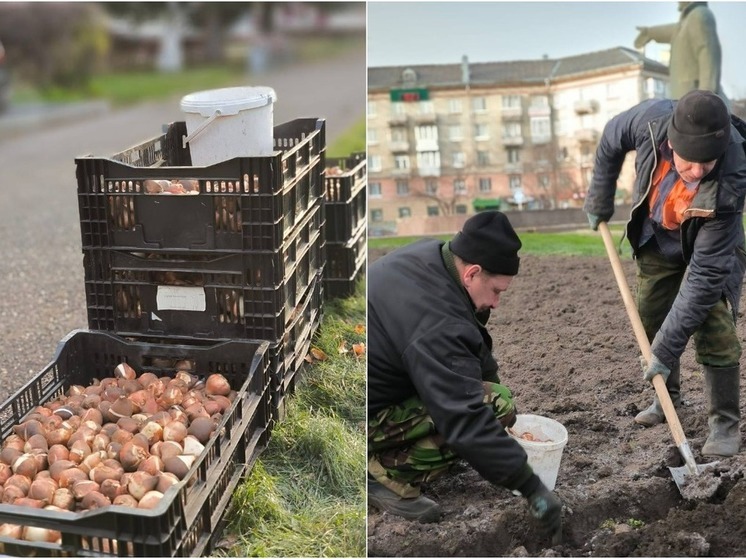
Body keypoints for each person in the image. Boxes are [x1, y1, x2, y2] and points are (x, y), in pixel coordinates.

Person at [367, 211, 563, 538]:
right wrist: (532, 488)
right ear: (472, 273)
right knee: (489, 409)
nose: (497, 303)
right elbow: (464, 416)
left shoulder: (432, 258)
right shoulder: (437, 323)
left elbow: (468, 341)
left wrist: (494, 390)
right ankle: (379, 474)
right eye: (497, 291)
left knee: (494, 400)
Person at [584, 89, 746, 458]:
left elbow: (704, 277)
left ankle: (724, 424)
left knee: (714, 324)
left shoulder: (732, 173)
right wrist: (599, 198)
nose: (698, 171)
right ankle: (666, 400)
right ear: (672, 144)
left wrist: (666, 350)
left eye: (708, 163)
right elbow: (611, 139)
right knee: (651, 316)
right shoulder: (649, 122)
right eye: (690, 162)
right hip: (657, 234)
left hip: (709, 246)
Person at [634, 2, 727, 104]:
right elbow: (671, 30)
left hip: (696, 102)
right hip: (688, 101)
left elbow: (708, 57)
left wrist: (706, 99)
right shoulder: (688, 20)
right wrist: (649, 32)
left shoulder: (700, 15)